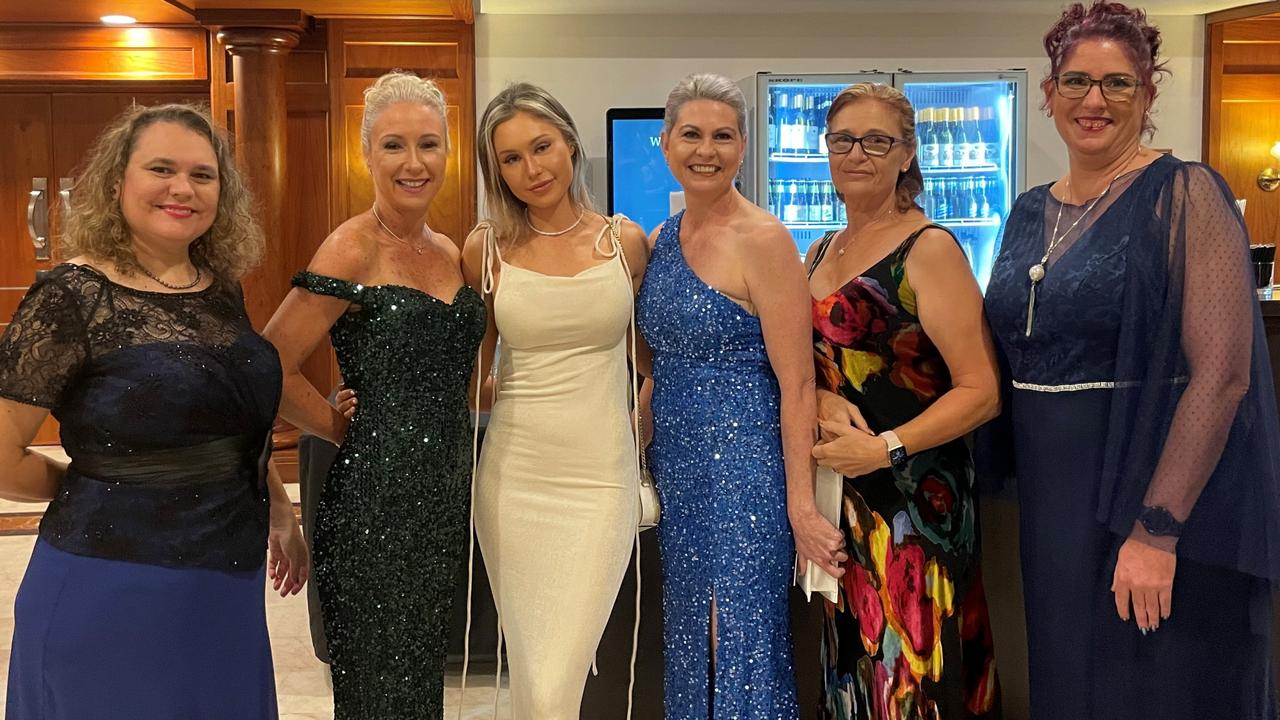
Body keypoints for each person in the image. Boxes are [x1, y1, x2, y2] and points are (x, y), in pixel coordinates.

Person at [981, 3, 1280, 718]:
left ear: (1147, 96)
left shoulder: (1183, 194)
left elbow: (1224, 374)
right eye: (1077, 81)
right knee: (1070, 682)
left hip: (1152, 489)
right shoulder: (1027, 210)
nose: (1094, 101)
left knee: (1152, 682)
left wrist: (1156, 530)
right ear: (1048, 94)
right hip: (1054, 505)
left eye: (1118, 84)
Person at [0, 102, 306, 720]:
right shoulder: (70, 295)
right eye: (161, 169)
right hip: (113, 578)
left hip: (225, 577)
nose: (182, 188)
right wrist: (90, 485)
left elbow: (233, 419)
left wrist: (278, 511)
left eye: (202, 174)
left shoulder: (218, 288)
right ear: (118, 183)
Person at [262, 71, 485, 718]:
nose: (413, 163)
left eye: (428, 145)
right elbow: (269, 361)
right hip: (373, 500)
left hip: (442, 495)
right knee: (377, 684)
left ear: (448, 153)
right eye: (394, 146)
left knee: (418, 679)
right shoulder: (351, 248)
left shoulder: (449, 250)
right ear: (367, 156)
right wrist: (332, 425)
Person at [635, 72, 842, 720]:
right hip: (680, 471)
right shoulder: (660, 239)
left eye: (723, 136)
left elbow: (798, 380)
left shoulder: (764, 239)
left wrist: (801, 505)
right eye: (692, 134)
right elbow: (652, 354)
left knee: (740, 641)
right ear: (665, 143)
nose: (707, 149)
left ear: (744, 146)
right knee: (691, 640)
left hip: (747, 472)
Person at [806, 81, 1002, 718]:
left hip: (916, 502)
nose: (857, 153)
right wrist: (819, 406)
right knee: (855, 664)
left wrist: (885, 447)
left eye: (877, 140)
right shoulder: (820, 248)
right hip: (844, 499)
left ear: (907, 154)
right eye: (843, 140)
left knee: (911, 675)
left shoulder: (930, 247)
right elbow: (812, 367)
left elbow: (982, 390)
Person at [458, 81, 650, 720]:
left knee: (563, 669)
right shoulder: (485, 249)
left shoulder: (623, 242)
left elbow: (646, 356)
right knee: (537, 679)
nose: (531, 169)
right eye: (510, 159)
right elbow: (478, 370)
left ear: (570, 145)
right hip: (516, 480)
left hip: (600, 480)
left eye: (541, 147)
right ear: (497, 172)